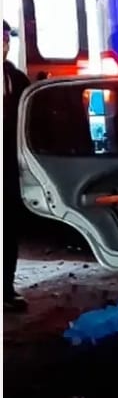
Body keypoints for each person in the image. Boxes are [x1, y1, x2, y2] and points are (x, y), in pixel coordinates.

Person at [4, 20, 30, 312]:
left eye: (5, 40)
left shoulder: (17, 79)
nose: (3, 46)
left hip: (8, 168)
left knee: (7, 230)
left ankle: (5, 289)